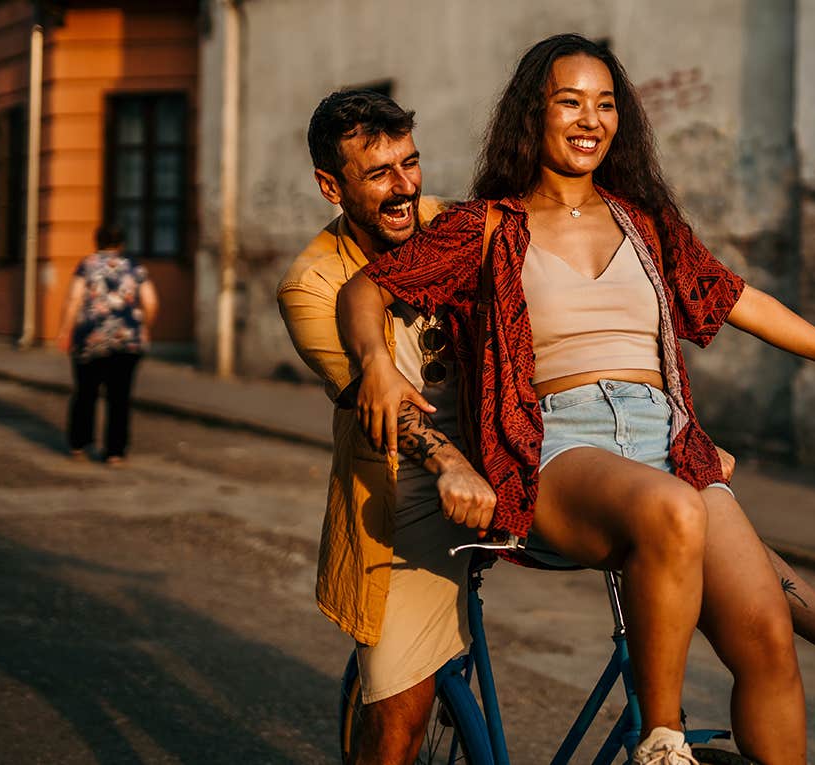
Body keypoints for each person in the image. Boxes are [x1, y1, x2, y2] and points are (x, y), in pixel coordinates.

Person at [342, 35, 815, 764]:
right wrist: (377, 367)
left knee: (769, 636)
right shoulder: (487, 226)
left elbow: (740, 298)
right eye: (570, 101)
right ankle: (662, 742)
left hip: (664, 443)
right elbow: (368, 290)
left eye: (606, 104)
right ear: (533, 113)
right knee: (677, 506)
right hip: (554, 450)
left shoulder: (643, 223)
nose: (591, 120)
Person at [276, 89, 496, 764]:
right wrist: (450, 461)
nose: (406, 189)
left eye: (412, 163)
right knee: (400, 719)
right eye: (379, 174)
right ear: (330, 185)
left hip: (504, 455)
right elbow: (385, 406)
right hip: (408, 492)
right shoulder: (311, 283)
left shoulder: (449, 224)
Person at [56, 224, 157, 464]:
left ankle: (79, 445)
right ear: (121, 244)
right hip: (127, 341)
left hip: (92, 339)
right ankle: (115, 453)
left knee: (85, 392)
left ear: (96, 242)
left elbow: (73, 299)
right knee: (120, 397)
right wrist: (144, 327)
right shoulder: (135, 267)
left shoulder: (87, 265)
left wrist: (64, 331)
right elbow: (151, 302)